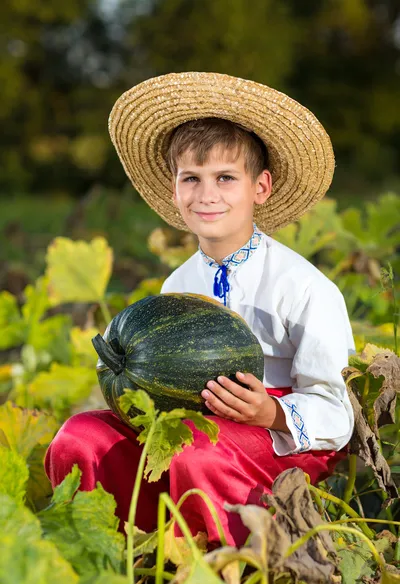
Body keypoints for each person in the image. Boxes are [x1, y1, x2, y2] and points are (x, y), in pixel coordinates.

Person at [45, 72, 355, 547]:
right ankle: (109, 551)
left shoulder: (306, 288)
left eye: (226, 178)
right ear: (175, 190)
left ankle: (219, 565)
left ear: (261, 187)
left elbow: (337, 413)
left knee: (195, 452)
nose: (207, 194)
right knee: (80, 435)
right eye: (192, 178)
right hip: (192, 427)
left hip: (284, 445)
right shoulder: (178, 285)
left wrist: (270, 412)